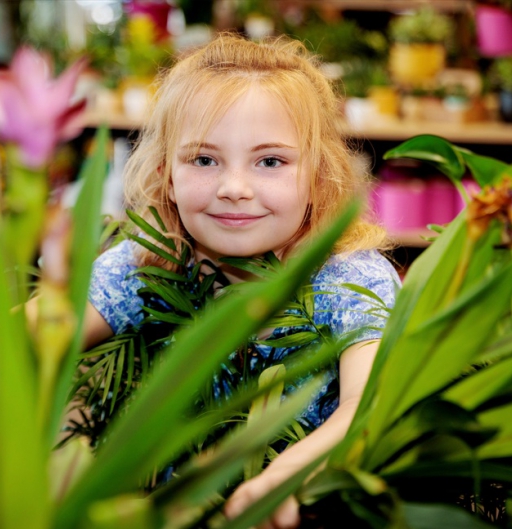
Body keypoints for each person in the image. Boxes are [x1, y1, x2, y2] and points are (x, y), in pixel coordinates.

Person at [82, 33, 400, 528]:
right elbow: (30, 336)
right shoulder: (149, 261)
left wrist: (285, 476)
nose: (234, 189)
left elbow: (374, 400)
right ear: (167, 173)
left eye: (270, 161)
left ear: (318, 175)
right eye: (204, 160)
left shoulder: (348, 278)